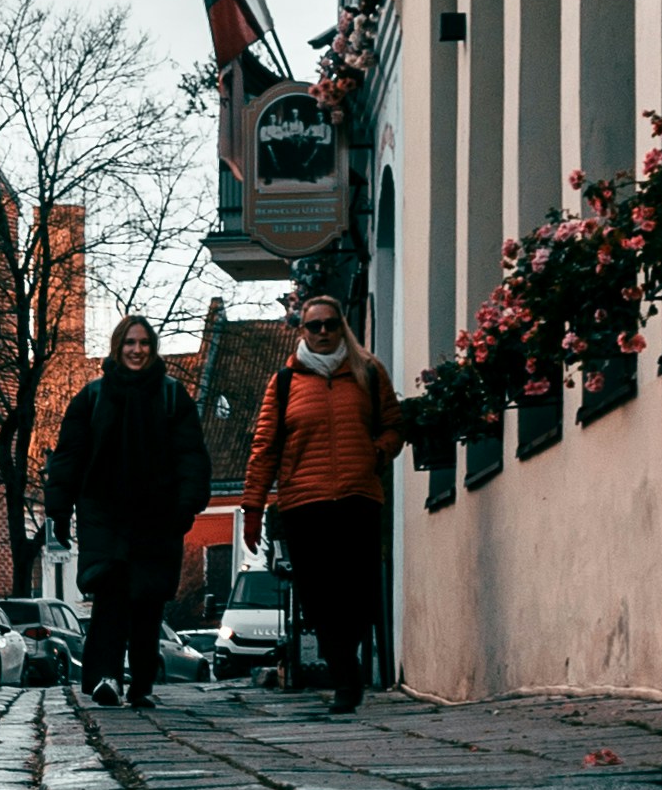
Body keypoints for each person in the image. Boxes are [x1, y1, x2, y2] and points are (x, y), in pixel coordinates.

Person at [242, 285, 404, 712]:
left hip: (357, 496)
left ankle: (346, 664)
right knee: (319, 598)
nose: (323, 332)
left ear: (341, 328)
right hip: (305, 504)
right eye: (314, 326)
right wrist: (253, 508)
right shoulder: (284, 383)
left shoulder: (368, 372)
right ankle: (346, 678)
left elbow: (393, 425)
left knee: (359, 593)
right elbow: (264, 448)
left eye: (331, 325)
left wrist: (378, 452)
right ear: (303, 330)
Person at [41, 310, 206, 704]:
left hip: (158, 513)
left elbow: (191, 456)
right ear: (118, 347)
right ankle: (105, 677)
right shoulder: (93, 396)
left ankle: (142, 684)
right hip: (104, 512)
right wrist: (58, 511)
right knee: (111, 594)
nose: (137, 350)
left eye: (144, 343)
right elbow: (69, 457)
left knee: (148, 600)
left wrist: (187, 505)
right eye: (130, 343)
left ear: (153, 349)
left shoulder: (171, 396)